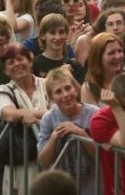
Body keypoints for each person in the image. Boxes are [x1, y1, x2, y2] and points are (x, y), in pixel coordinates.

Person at [37, 67, 100, 195]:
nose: (65, 95)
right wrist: (54, 137)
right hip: (62, 189)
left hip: (93, 187)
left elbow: (102, 155)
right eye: (58, 92)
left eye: (67, 88)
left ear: (75, 89)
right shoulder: (49, 119)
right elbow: (43, 161)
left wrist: (81, 133)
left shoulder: (94, 113)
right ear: (51, 98)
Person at [0, 43, 49, 194]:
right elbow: (9, 114)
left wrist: (32, 117)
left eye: (20, 59)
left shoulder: (47, 83)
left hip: (50, 155)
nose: (17, 64)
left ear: (30, 61)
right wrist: (45, 114)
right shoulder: (5, 89)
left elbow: (60, 113)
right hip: (21, 160)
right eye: (11, 62)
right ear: (6, 70)